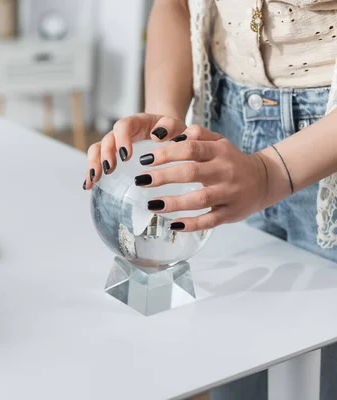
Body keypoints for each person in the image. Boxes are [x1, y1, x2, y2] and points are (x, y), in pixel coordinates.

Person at [83, 0, 337, 398]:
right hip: (221, 129)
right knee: (235, 369)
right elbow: (176, 4)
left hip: (327, 155)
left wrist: (270, 173)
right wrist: (163, 121)